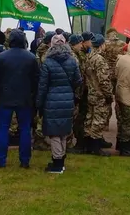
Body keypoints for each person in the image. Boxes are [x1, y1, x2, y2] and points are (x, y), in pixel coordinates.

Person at [0, 29, 39, 168]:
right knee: (24, 129)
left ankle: (0, 160)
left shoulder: (2, 57)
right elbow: (36, 79)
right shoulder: (31, 57)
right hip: (25, 98)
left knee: (3, 128)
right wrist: (31, 93)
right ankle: (25, 161)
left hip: (5, 97)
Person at [37, 33, 82, 173]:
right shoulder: (72, 61)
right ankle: (61, 161)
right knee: (63, 131)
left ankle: (57, 164)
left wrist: (39, 104)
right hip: (68, 99)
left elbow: (42, 86)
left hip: (52, 100)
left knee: (54, 133)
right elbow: (78, 81)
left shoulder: (48, 62)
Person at [83, 36, 114, 156]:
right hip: (100, 95)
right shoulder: (99, 59)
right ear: (101, 45)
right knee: (99, 120)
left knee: (90, 119)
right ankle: (95, 147)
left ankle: (88, 145)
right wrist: (108, 95)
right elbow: (104, 80)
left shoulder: (89, 57)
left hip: (91, 93)